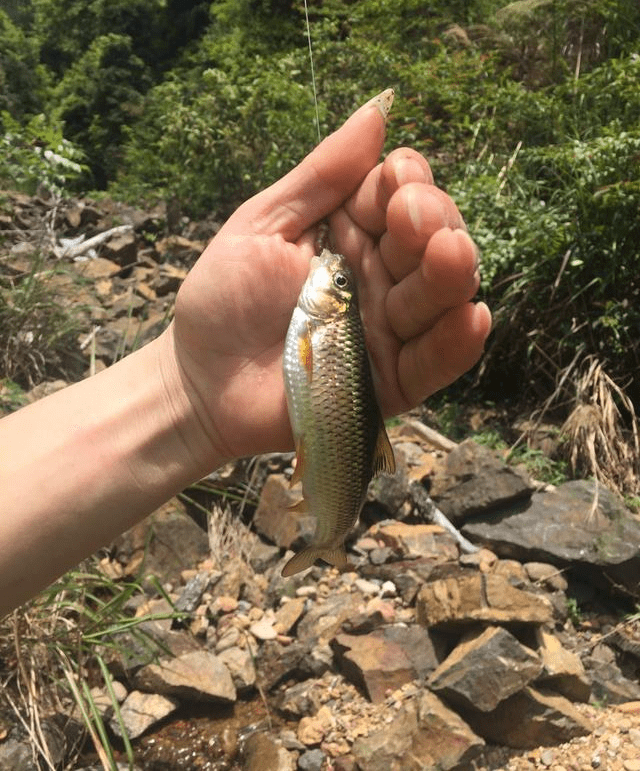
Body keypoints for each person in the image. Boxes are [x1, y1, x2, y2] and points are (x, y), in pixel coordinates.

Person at [0, 90, 491, 616]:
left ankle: (328, 538)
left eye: (339, 278)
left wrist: (184, 395)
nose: (329, 268)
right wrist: (184, 388)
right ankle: (329, 538)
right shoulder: (324, 320)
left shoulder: (327, 319)